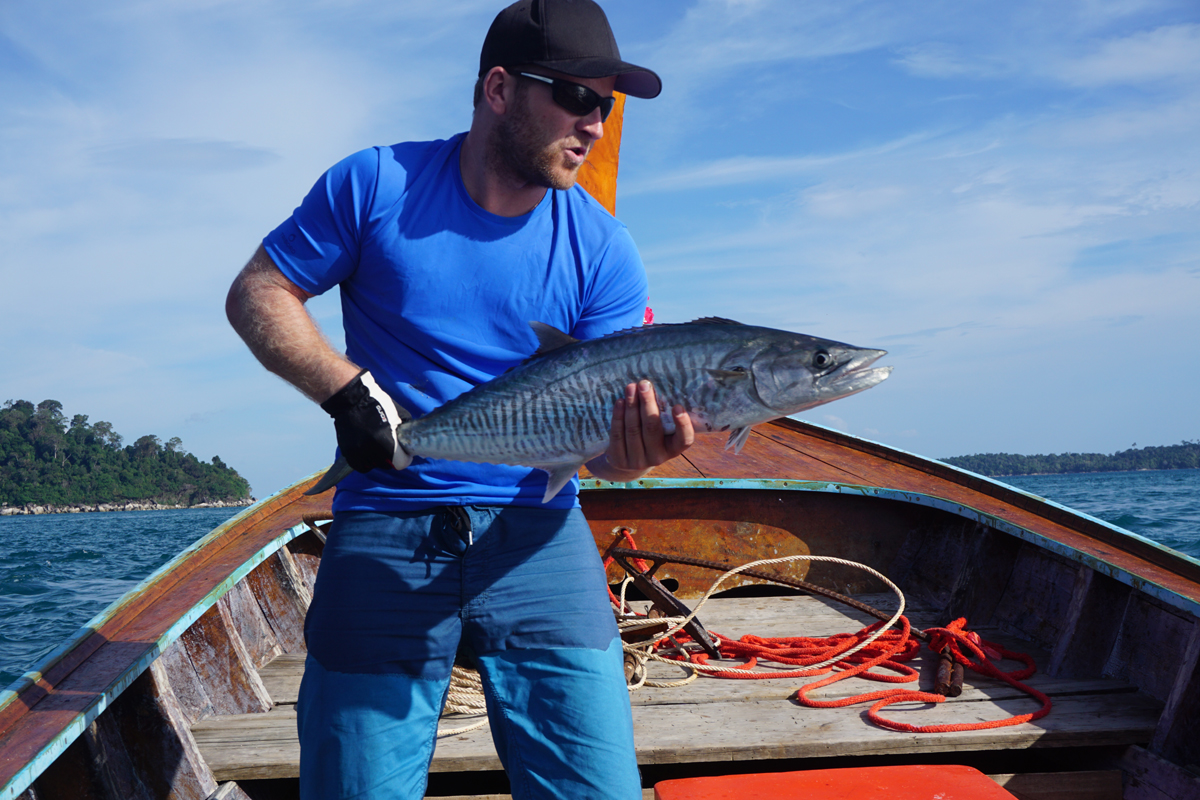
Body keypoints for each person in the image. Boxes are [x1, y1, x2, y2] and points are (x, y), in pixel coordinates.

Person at [224, 1, 694, 798]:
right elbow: (260, 291)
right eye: (577, 97)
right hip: (383, 522)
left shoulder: (604, 250)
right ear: (500, 89)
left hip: (539, 531)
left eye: (607, 106)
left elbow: (606, 453)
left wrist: (634, 452)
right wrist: (347, 395)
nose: (595, 127)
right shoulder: (376, 185)